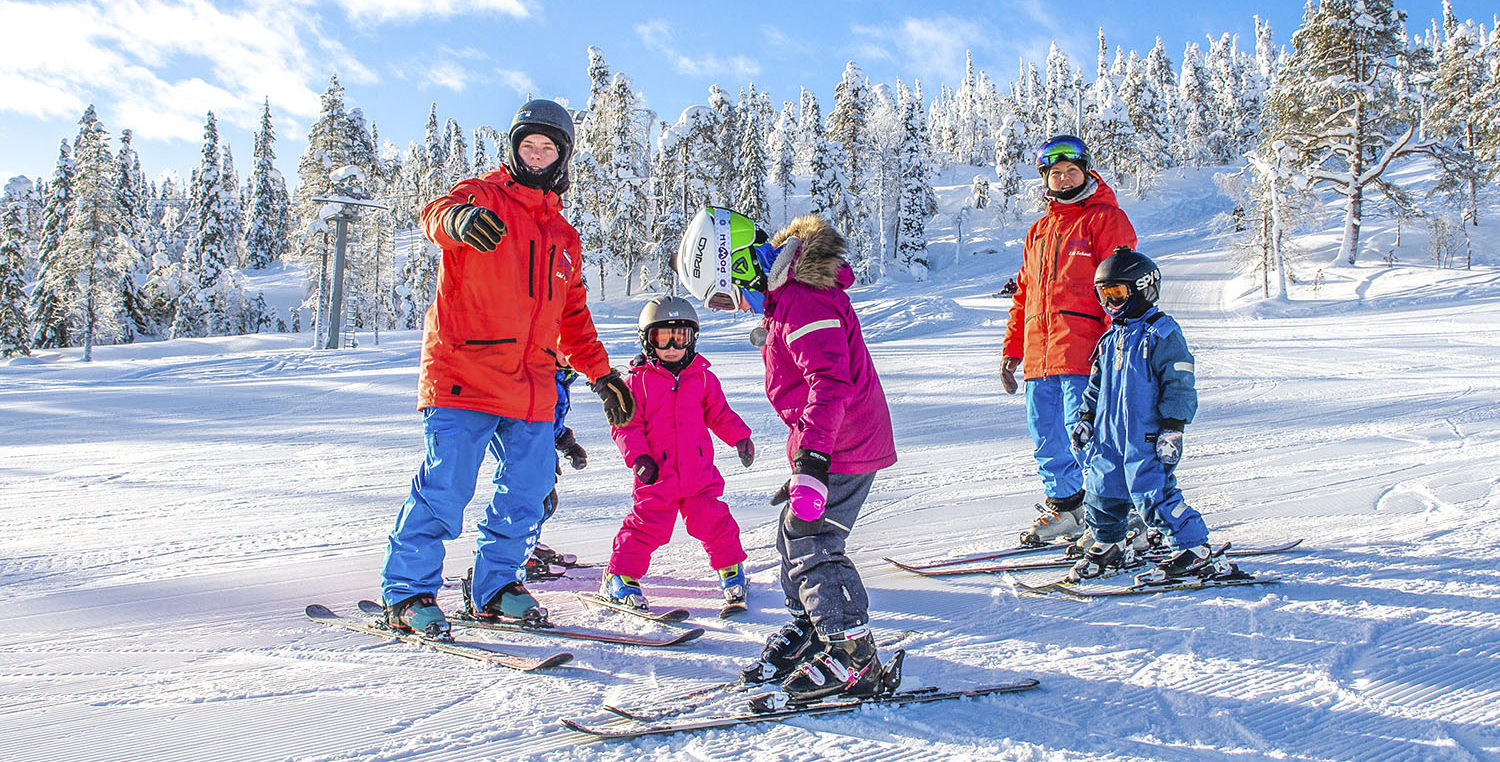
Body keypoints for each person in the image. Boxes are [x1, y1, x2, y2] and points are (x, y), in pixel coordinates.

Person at [378, 98, 636, 638]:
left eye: (548, 147)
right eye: (528, 145)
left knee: (529, 488)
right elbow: (434, 217)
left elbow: (574, 315)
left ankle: (496, 586)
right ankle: (408, 592)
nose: (536, 155)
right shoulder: (482, 197)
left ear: (562, 157)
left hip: (533, 385)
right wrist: (460, 219)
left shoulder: (564, 238)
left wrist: (602, 374)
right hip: (463, 372)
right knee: (445, 489)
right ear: (514, 148)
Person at [676, 207, 898, 705]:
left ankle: (852, 655)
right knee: (791, 534)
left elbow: (830, 384)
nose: (727, 307)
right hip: (830, 438)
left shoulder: (801, 300)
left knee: (814, 541)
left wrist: (814, 462)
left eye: (719, 294)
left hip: (845, 442)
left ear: (737, 264)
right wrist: (804, 458)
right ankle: (812, 631)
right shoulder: (787, 298)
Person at [1065, 248, 1242, 585]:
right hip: (1108, 438)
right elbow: (1095, 385)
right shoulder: (1110, 338)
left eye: (1117, 293)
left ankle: (1194, 550)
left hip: (1146, 437)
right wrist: (1085, 417)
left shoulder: (1162, 333)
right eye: (1104, 294)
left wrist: (1173, 427)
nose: (1110, 303)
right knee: (1102, 492)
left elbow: (1180, 381)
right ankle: (1110, 543)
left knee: (1152, 494)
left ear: (1143, 288)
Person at [1001, 134, 1138, 546]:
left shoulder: (1105, 219)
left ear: (1085, 171)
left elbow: (1123, 286)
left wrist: (1121, 342)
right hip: (1040, 356)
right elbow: (1024, 294)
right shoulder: (1038, 230)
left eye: (1071, 171)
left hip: (1086, 352)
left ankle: (1111, 514)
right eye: (1055, 173)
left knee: (1087, 436)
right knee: (1046, 436)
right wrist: (1012, 351)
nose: (1063, 179)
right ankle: (1068, 508)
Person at [600, 295, 756, 611]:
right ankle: (619, 576)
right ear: (647, 339)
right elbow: (625, 426)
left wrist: (740, 437)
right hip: (657, 474)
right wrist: (639, 457)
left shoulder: (702, 378)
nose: (672, 345)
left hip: (698, 474)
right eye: (662, 337)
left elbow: (720, 413)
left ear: (692, 339)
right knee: (647, 525)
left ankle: (730, 568)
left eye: (680, 337)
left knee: (713, 520)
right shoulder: (636, 383)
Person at [526, 363, 589, 578]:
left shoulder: (561, 377)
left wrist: (568, 445)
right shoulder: (542, 374)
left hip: (541, 448)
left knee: (545, 502)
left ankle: (528, 543)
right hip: (525, 449)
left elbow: (552, 422)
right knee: (532, 503)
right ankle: (516, 553)